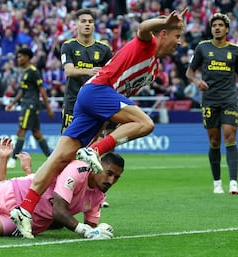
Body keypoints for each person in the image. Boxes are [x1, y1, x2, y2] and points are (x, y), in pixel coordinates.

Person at [10, 8, 187, 238]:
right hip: (97, 91)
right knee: (146, 123)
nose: (180, 42)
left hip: (95, 101)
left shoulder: (154, 70)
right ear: (163, 33)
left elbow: (117, 100)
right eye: (177, 36)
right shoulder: (147, 44)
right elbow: (143, 27)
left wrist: (102, 132)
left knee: (59, 158)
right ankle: (93, 150)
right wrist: (164, 19)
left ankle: (25, 209)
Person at [185, 13, 238, 195]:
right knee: (214, 141)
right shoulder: (202, 48)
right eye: (214, 25)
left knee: (230, 136)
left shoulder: (234, 50)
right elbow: (189, 72)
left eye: (220, 25)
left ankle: (233, 182)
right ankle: (217, 183)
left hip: (229, 99)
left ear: (226, 29)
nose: (217, 27)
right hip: (209, 99)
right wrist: (197, 82)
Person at [60, 8, 113, 134]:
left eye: (90, 21)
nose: (87, 24)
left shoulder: (104, 49)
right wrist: (89, 71)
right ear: (76, 25)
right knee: (67, 139)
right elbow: (69, 71)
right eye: (83, 21)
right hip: (73, 100)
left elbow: (112, 75)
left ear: (94, 25)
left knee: (96, 140)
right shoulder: (68, 46)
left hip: (95, 101)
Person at [5, 47, 55, 169]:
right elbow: (22, 91)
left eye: (20, 56)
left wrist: (48, 108)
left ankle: (12, 160)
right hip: (26, 103)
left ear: (27, 57)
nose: (18, 59)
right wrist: (13, 103)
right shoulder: (25, 72)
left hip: (30, 104)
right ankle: (51, 158)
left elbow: (42, 89)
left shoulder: (33, 71)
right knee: (37, 133)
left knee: (21, 130)